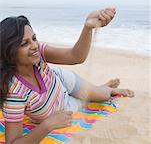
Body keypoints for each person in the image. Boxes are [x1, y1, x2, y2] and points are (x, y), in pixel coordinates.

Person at [0, 8, 134, 143]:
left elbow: (75, 56)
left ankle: (108, 89)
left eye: (34, 38)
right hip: (65, 106)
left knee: (103, 95)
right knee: (90, 99)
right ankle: (100, 88)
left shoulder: (38, 53)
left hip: (62, 80)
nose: (34, 45)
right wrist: (47, 125)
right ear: (9, 52)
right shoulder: (14, 93)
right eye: (25, 43)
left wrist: (87, 28)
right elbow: (13, 142)